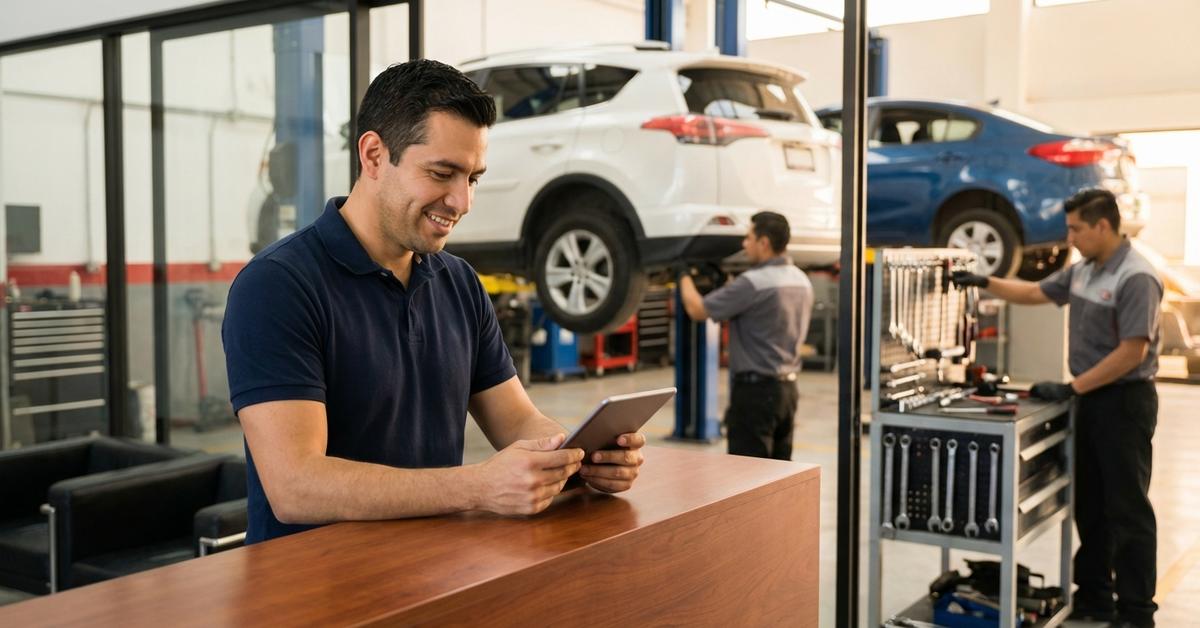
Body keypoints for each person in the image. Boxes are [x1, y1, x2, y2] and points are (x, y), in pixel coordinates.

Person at [222, 59, 645, 544]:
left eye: (473, 178)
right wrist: (478, 486)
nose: (461, 201)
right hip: (313, 595)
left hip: (430, 573)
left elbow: (517, 420)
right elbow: (297, 486)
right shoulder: (277, 286)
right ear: (375, 155)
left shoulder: (459, 283)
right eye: (443, 173)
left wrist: (579, 457)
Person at [952, 188, 1161, 628]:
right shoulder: (1083, 270)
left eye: (1076, 229)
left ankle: (1137, 612)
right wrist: (984, 282)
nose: (1070, 238)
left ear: (1103, 226)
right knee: (1090, 504)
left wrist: (1072, 387)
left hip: (1124, 401)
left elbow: (1132, 352)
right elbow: (1034, 293)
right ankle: (1096, 598)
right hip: (1090, 399)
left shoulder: (1135, 277)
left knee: (1127, 508)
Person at [677, 212, 814, 460]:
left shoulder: (752, 283)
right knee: (779, 475)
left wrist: (683, 274)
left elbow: (696, 310)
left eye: (748, 238)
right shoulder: (802, 280)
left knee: (747, 477)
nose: (744, 244)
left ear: (764, 243)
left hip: (755, 395)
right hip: (788, 391)